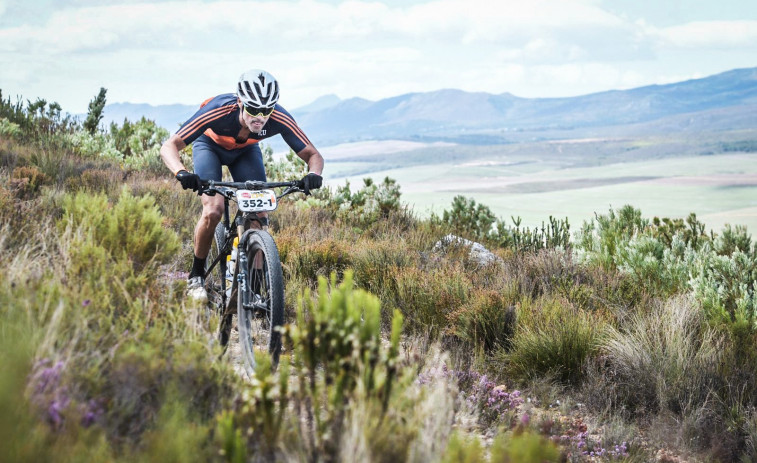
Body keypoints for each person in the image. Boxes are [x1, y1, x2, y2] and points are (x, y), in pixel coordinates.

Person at [160, 69, 324, 300]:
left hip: (245, 151)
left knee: (258, 214)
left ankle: (253, 291)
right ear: (240, 102)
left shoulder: (278, 117)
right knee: (214, 209)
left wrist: (313, 174)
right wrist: (182, 172)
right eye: (253, 109)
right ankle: (196, 275)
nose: (260, 116)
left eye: (266, 110)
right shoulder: (218, 110)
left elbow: (313, 155)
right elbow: (169, 146)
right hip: (209, 146)